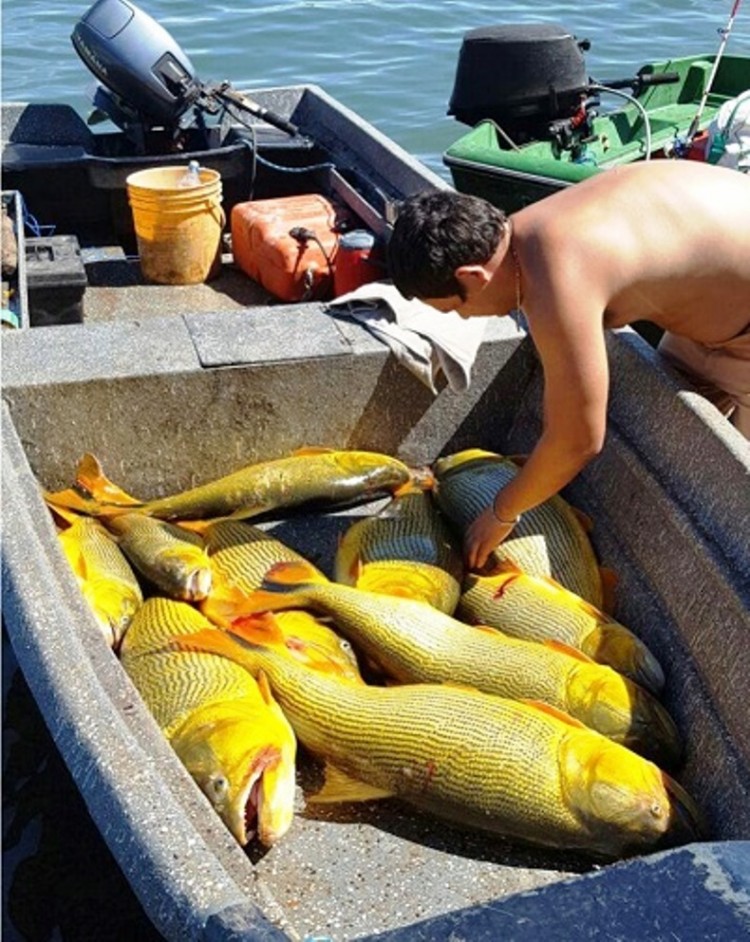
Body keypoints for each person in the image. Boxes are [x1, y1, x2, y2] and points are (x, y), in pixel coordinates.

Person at [387, 160, 750, 570]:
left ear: (472, 275)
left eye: (456, 309)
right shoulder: (530, 229)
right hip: (718, 299)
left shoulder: (557, 277)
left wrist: (501, 513)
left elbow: (578, 439)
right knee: (669, 439)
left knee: (738, 495)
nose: (465, 321)